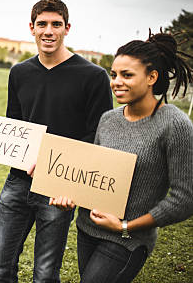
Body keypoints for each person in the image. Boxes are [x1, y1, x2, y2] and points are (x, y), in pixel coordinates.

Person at [0, 0, 113, 282]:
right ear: (31, 28)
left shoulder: (93, 76)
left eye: (56, 24)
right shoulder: (19, 72)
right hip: (18, 180)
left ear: (67, 28)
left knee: (45, 275)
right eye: (42, 24)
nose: (48, 31)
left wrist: (61, 174)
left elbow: (97, 136)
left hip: (59, 187)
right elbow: (15, 124)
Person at [50, 31, 193, 283]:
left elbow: (185, 199)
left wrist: (125, 227)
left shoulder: (175, 124)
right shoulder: (108, 119)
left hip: (126, 240)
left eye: (127, 75)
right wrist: (69, 194)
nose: (116, 81)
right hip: (86, 230)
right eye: (114, 74)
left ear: (152, 77)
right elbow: (91, 176)